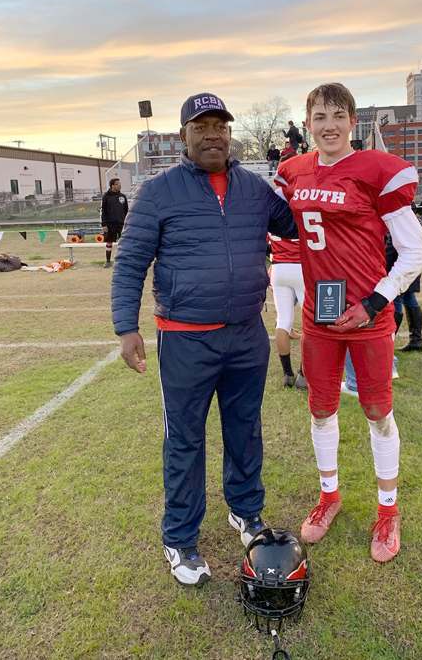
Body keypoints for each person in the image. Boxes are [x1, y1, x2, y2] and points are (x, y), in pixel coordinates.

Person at [111, 92, 300, 586]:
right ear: (183, 137)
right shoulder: (157, 192)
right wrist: (125, 327)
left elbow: (298, 223)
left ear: (230, 134)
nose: (212, 134)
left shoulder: (254, 190)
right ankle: (180, 539)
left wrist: (313, 177)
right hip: (185, 340)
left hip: (245, 335)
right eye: (201, 127)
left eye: (220, 126)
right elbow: (130, 261)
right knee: (185, 441)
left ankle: (245, 511)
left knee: (245, 427)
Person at [274, 82, 422, 563]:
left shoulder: (372, 170)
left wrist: (373, 301)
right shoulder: (293, 172)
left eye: (338, 115)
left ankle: (388, 509)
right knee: (320, 411)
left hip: (366, 316)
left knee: (378, 413)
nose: (329, 125)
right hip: (319, 315)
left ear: (353, 122)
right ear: (307, 124)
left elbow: (416, 250)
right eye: (319, 116)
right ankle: (329, 497)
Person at [267, 226, 308, 389]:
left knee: (282, 321)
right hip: (302, 267)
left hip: (279, 267)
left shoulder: (273, 208)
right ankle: (303, 374)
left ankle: (287, 373)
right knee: (309, 323)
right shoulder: (300, 206)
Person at [100, 178, 128, 268]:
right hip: (110, 224)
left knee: (124, 242)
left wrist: (127, 222)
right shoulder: (106, 197)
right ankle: (108, 261)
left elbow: (126, 211)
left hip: (122, 224)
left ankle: (124, 261)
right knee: (109, 242)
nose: (119, 185)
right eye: (117, 184)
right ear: (112, 185)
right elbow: (103, 211)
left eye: (120, 183)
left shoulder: (123, 196)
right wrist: (104, 224)